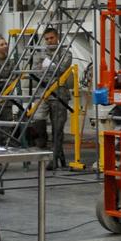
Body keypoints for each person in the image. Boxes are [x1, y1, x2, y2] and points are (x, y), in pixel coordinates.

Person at [32, 29, 71, 169]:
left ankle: (54, 158)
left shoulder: (65, 53)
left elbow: (61, 69)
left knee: (57, 128)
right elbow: (36, 71)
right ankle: (46, 149)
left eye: (52, 38)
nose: (49, 41)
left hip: (59, 94)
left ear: (57, 37)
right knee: (38, 120)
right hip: (43, 93)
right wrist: (52, 66)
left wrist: (47, 66)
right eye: (47, 38)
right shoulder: (39, 53)